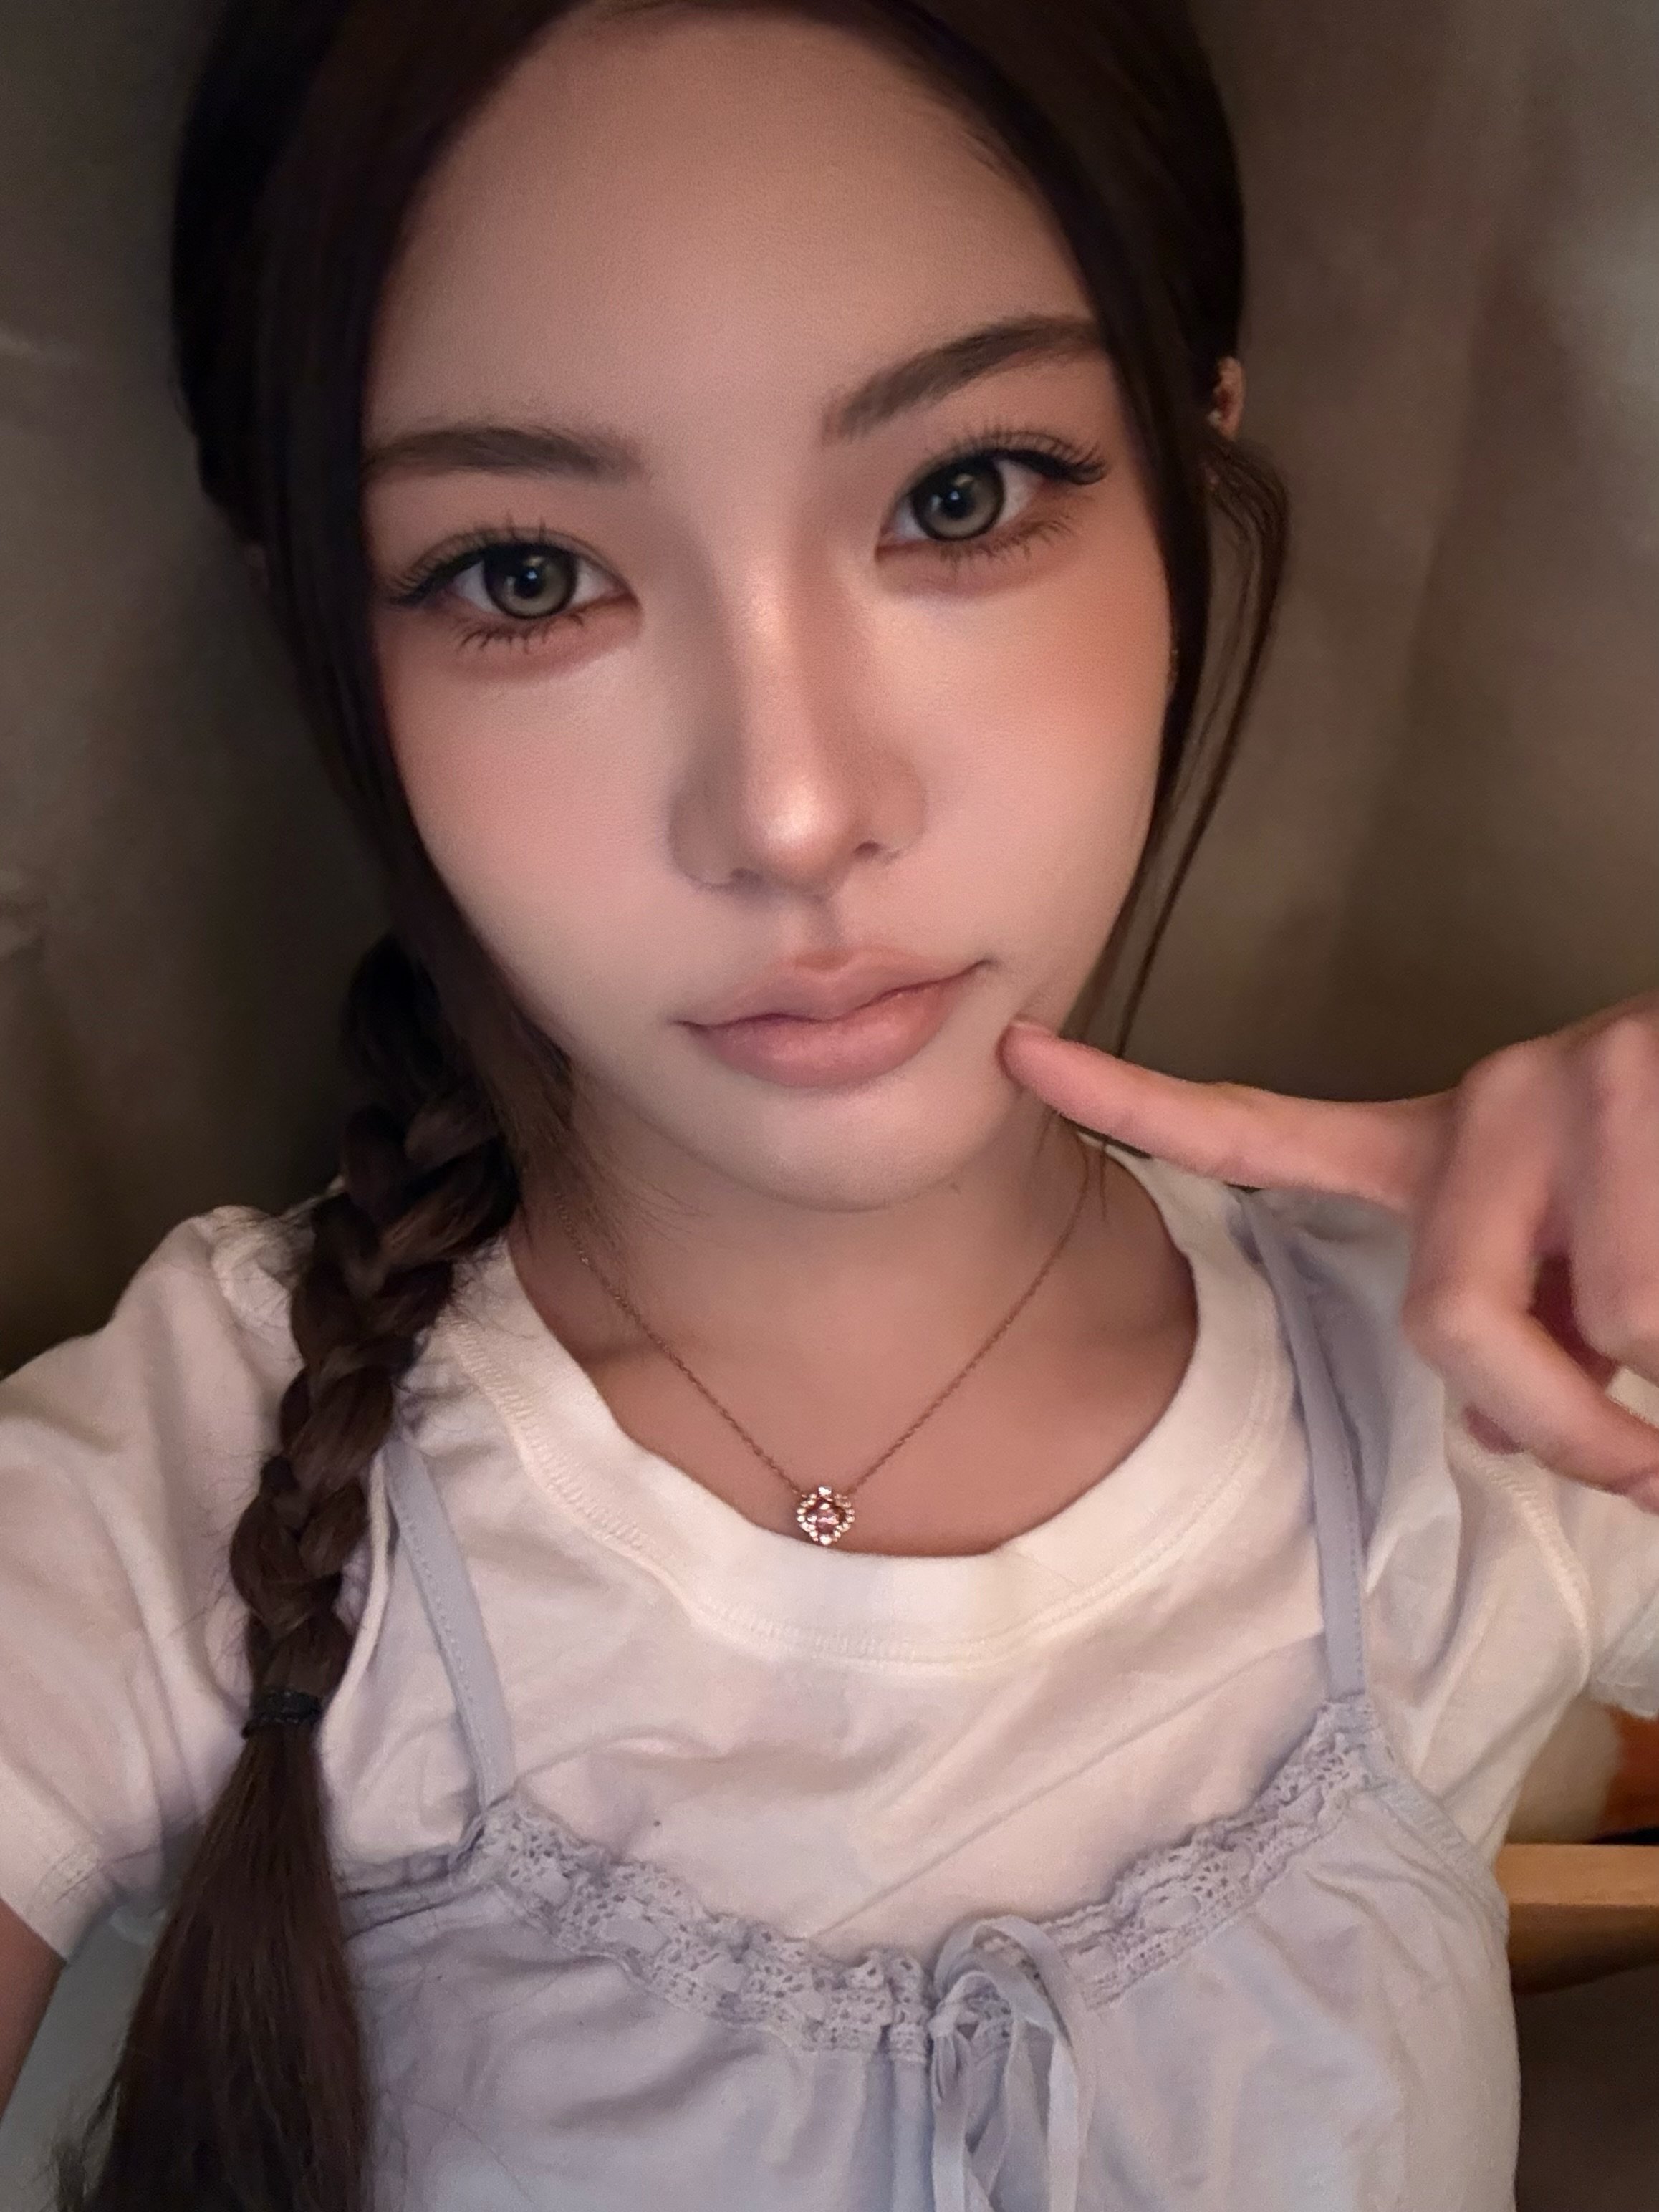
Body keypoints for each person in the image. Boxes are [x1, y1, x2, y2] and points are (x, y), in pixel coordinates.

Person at [0, 0, 1655, 2206]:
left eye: (960, 496)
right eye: (523, 573)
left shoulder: (1499, 1376)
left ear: (1189, 461)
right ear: (315, 613)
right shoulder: (168, 1491)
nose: (790, 810)